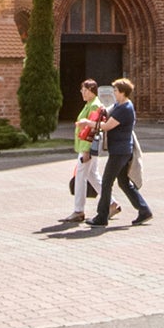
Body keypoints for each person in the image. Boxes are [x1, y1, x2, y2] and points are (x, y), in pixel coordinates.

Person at [89, 77, 153, 226]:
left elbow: (107, 126)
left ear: (123, 93)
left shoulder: (125, 109)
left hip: (120, 151)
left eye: (116, 90)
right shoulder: (120, 104)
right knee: (124, 182)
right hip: (121, 150)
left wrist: (88, 123)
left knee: (106, 182)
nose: (114, 93)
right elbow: (109, 109)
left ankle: (102, 216)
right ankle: (144, 210)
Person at [62, 78, 108, 223]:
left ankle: (78, 210)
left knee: (81, 177)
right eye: (82, 89)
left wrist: (87, 151)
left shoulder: (94, 106)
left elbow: (93, 129)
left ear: (91, 91)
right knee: (92, 175)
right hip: (85, 146)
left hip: (87, 147)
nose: (82, 92)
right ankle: (112, 202)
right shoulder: (89, 104)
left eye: (85, 90)